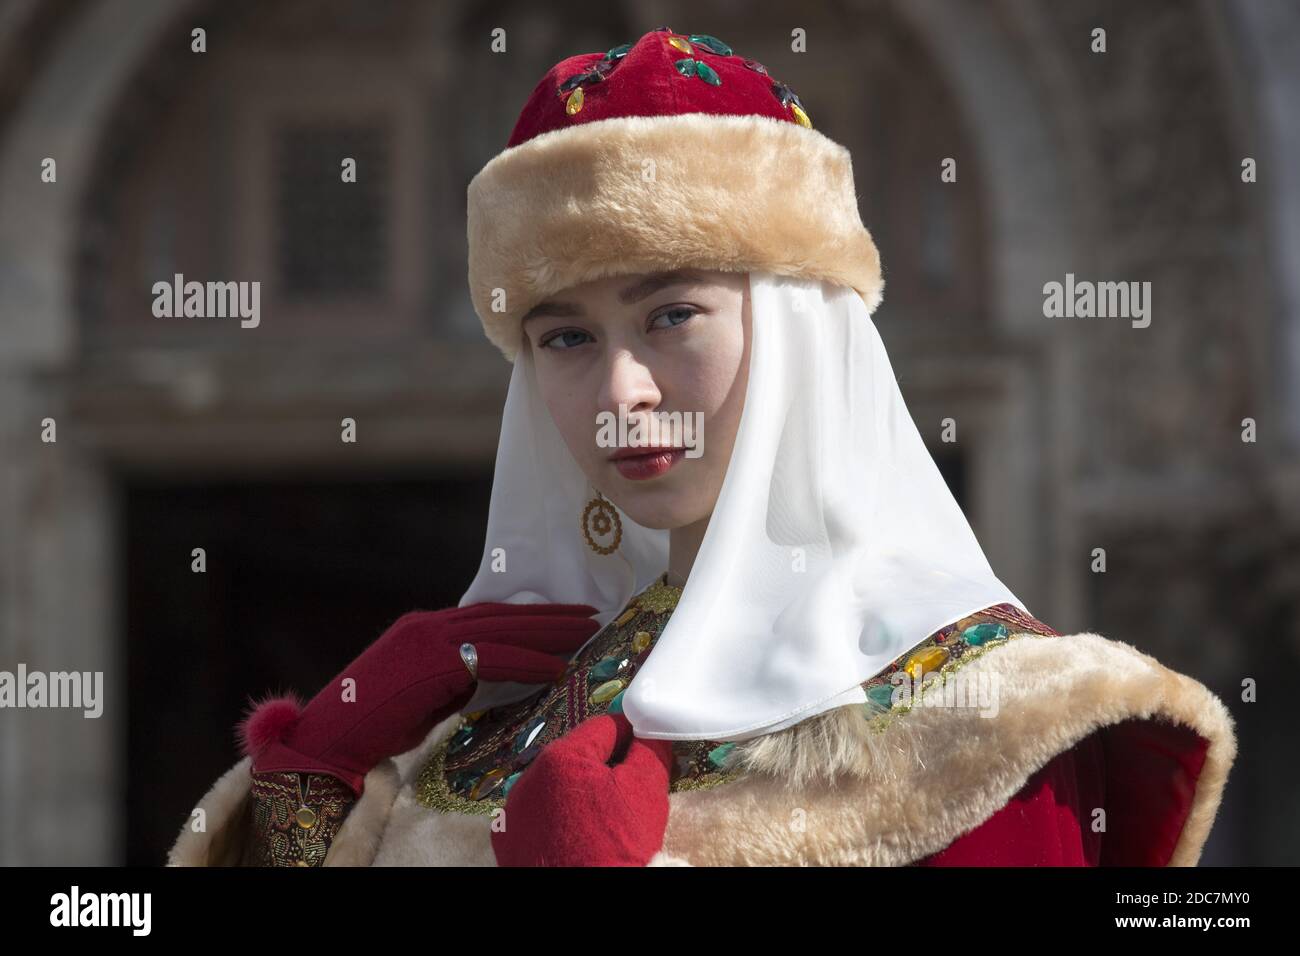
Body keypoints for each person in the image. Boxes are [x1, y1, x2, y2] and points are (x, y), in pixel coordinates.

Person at [168, 27, 1235, 867]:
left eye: (671, 315)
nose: (622, 392)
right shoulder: (495, 730)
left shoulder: (994, 718)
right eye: (566, 337)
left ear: (799, 335)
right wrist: (316, 764)